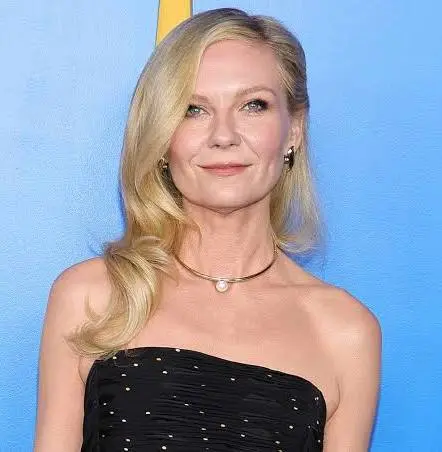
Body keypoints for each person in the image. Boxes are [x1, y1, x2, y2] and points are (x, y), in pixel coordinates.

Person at [33, 7, 381, 452]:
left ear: (294, 130)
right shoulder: (91, 298)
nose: (223, 135)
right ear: (162, 137)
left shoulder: (346, 333)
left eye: (253, 105)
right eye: (193, 109)